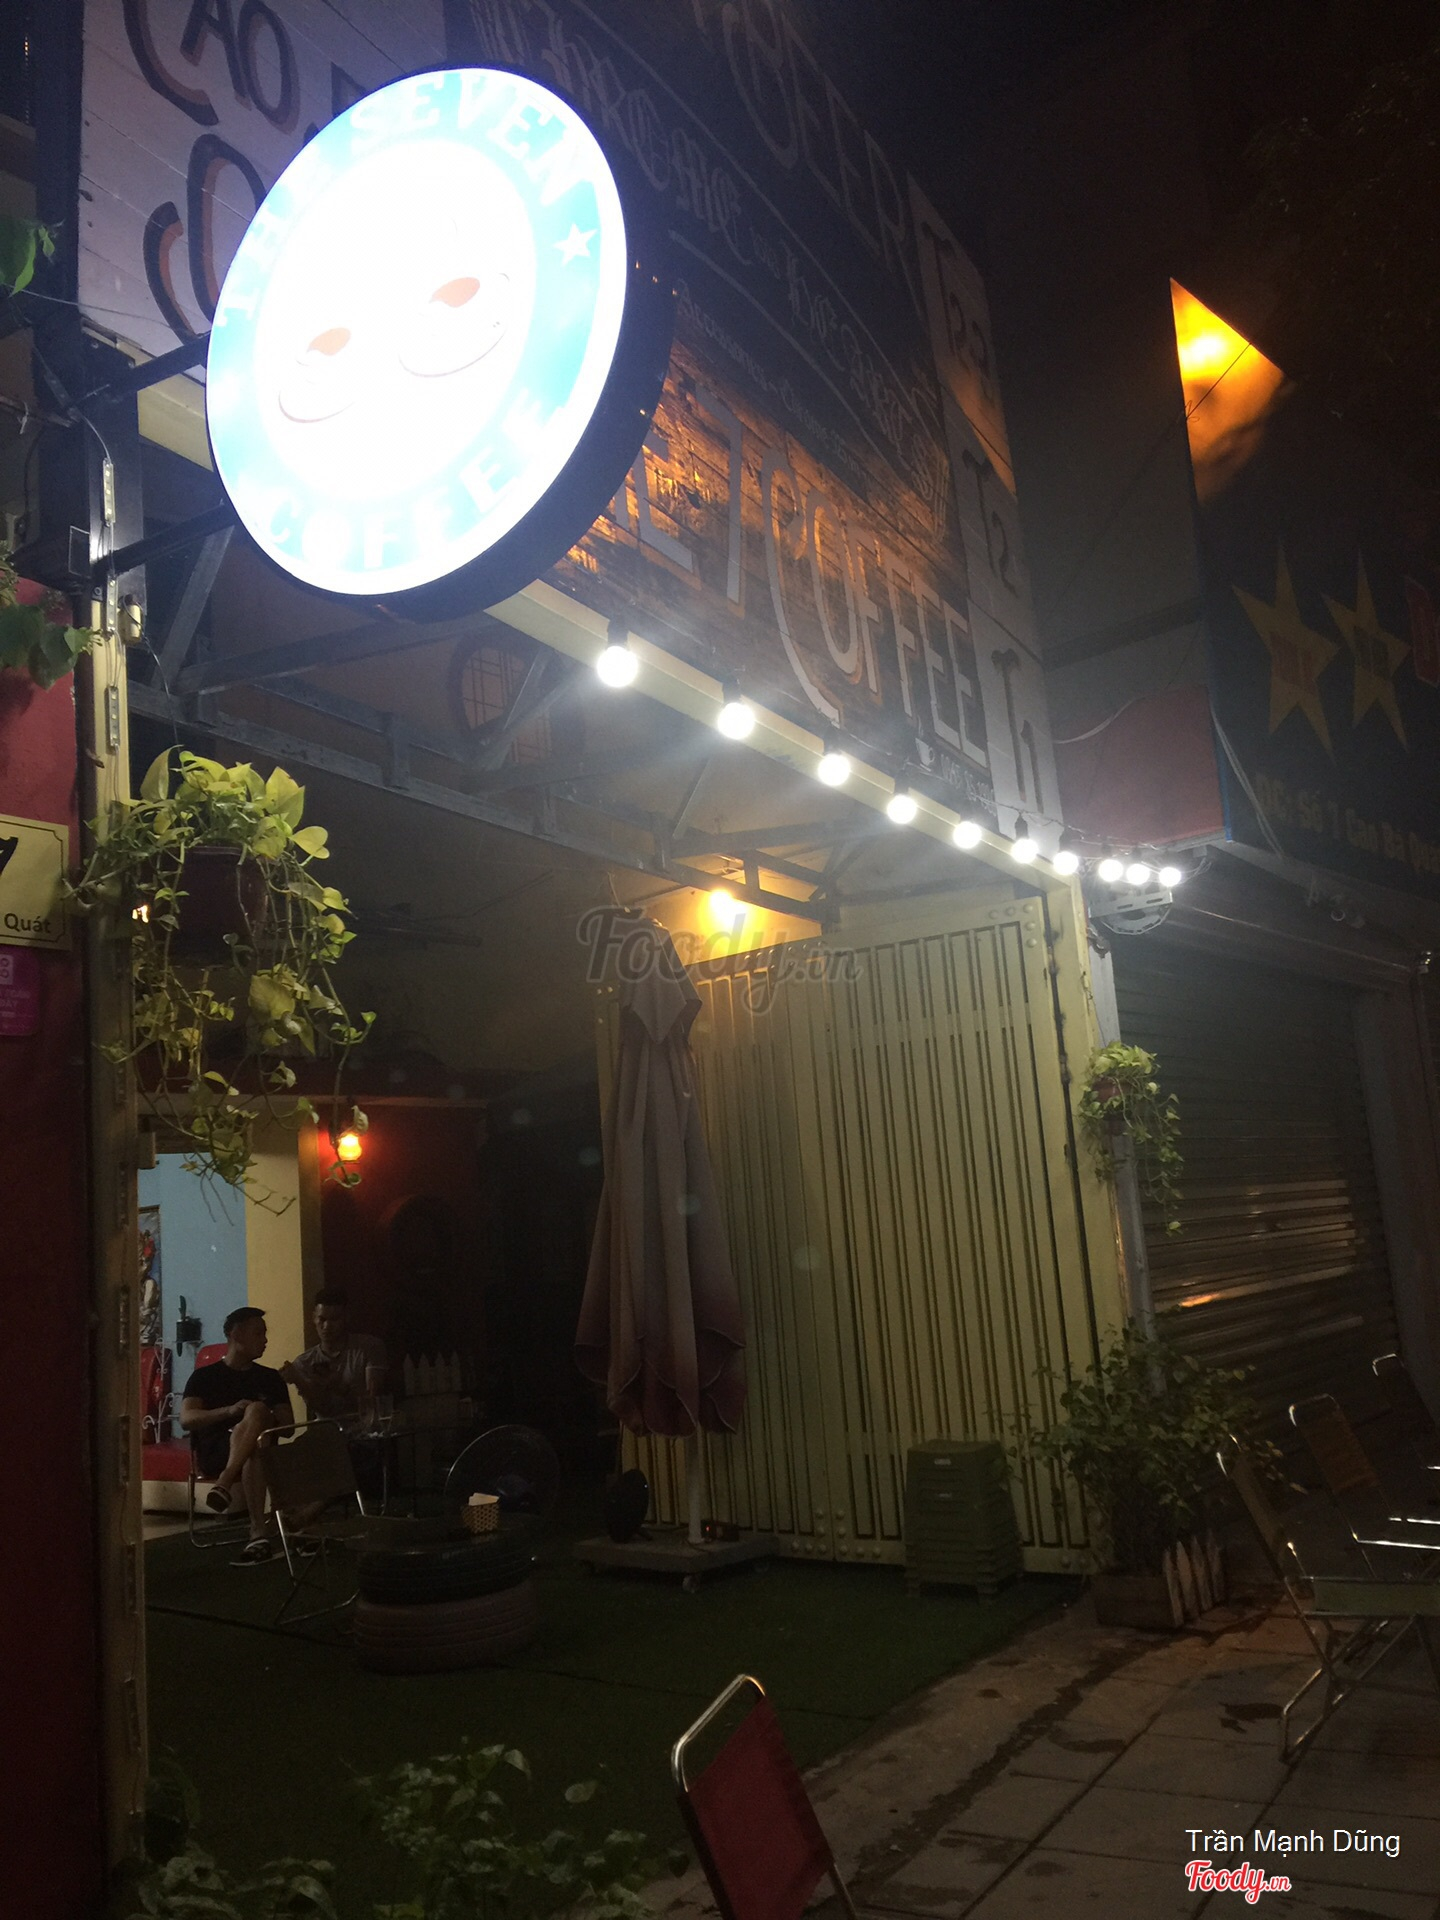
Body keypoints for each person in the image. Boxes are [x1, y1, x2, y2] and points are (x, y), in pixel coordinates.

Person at [179, 1307, 294, 1563]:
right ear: (236, 1334)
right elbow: (186, 1419)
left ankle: (226, 1484)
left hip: (263, 1452)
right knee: (256, 1438)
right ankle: (257, 1530)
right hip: (217, 1452)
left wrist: (262, 1417)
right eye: (258, 1333)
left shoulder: (270, 1378)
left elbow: (288, 1427)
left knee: (257, 1419)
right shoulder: (204, 1377)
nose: (265, 1340)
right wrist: (229, 1411)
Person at [281, 1290, 386, 1427]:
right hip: (327, 1429)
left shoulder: (368, 1347)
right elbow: (321, 1409)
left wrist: (339, 1386)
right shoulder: (304, 1362)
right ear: (314, 1318)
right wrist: (299, 1381)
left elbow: (373, 1400)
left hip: (365, 1426)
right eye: (322, 1319)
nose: (327, 1326)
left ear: (346, 1318)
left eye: (334, 1319)